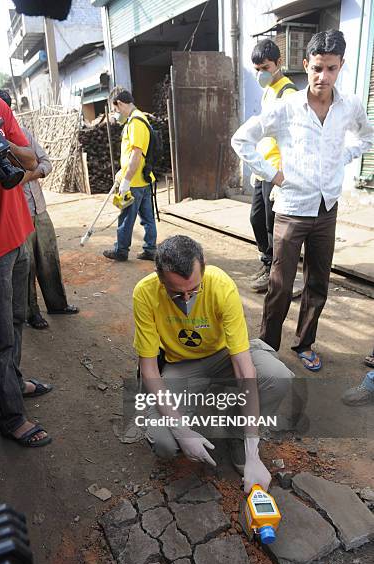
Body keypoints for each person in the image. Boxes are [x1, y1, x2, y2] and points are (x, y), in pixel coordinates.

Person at [231, 30, 374, 372]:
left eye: (331, 69)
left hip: (327, 209)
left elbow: (366, 136)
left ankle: (305, 343)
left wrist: (343, 156)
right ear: (306, 64)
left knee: (317, 282)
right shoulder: (287, 107)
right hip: (293, 210)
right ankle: (266, 349)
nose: (323, 77)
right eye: (317, 68)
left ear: (341, 67)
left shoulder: (350, 106)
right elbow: (242, 139)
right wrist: (271, 173)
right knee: (280, 285)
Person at [132, 235, 294, 493]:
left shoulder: (220, 284)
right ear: (160, 279)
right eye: (176, 293)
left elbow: (243, 366)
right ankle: (193, 422)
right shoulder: (145, 293)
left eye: (193, 290)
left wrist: (254, 453)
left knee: (277, 376)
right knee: (165, 443)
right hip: (181, 364)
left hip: (224, 357)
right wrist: (182, 430)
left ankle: (240, 437)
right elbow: (149, 369)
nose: (186, 300)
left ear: (203, 268)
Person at [0, 53, 52, 447]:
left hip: (19, 235)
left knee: (17, 319)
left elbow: (31, 158)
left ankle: (14, 382)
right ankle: (11, 416)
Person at [0, 88, 79, 330]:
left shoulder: (24, 134)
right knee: (26, 266)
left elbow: (45, 163)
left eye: (7, 109)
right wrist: (33, 172)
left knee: (49, 258)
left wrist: (26, 176)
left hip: (40, 209)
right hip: (18, 215)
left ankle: (57, 304)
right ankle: (32, 313)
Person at [249, 39, 297, 292]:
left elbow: (292, 138)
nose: (261, 74)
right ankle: (266, 262)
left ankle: (274, 273)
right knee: (256, 218)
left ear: (279, 63)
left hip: (276, 170)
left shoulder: (287, 93)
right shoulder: (268, 90)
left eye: (265, 68)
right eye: (257, 69)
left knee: (271, 223)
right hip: (262, 167)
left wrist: (282, 176)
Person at [103, 87, 157, 262]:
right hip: (143, 179)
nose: (115, 114)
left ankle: (121, 251)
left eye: (114, 109)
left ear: (119, 103)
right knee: (148, 218)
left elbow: (135, 154)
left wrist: (126, 180)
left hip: (134, 182)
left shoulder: (135, 122)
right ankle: (150, 249)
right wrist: (122, 172)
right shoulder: (139, 119)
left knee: (126, 218)